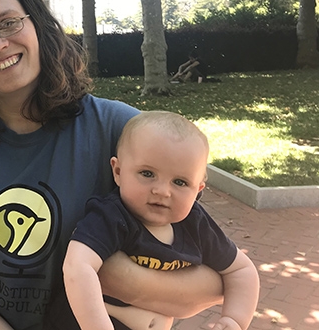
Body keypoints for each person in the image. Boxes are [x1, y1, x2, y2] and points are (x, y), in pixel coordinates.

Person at [0, 0, 225, 330]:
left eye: (8, 23)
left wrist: (116, 278)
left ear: (39, 26)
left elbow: (215, 282)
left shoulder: (119, 128)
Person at [64, 111, 260, 330]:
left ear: (198, 190)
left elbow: (241, 271)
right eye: (147, 174)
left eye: (180, 182)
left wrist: (234, 319)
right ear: (118, 171)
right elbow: (77, 266)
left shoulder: (195, 223)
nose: (162, 191)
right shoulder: (111, 216)